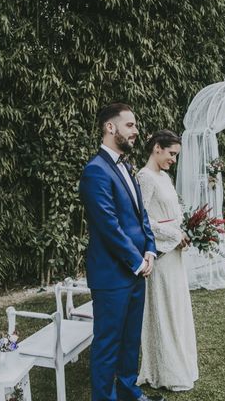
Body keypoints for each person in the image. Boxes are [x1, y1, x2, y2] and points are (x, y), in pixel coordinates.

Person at [79, 103, 165, 401]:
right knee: (107, 345)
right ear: (110, 127)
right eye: (130, 125)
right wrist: (136, 261)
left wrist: (151, 251)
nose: (136, 131)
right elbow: (108, 226)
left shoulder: (127, 166)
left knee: (130, 341)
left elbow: (142, 216)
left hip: (138, 270)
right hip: (112, 275)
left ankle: (130, 393)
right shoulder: (95, 171)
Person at [136, 130, 199, 392]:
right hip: (159, 254)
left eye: (176, 155)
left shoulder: (166, 177)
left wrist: (186, 231)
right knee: (163, 309)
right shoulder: (144, 177)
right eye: (171, 153)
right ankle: (162, 370)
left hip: (174, 253)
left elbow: (173, 213)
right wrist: (174, 233)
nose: (174, 159)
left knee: (177, 307)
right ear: (157, 148)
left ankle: (180, 363)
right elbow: (141, 219)